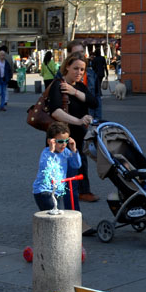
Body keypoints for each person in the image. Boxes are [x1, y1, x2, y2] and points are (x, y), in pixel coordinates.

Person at [45, 51, 98, 211]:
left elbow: (93, 102)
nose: (79, 73)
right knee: (66, 184)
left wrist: (74, 92)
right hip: (61, 143)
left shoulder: (80, 87)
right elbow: (55, 111)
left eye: (82, 69)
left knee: (71, 183)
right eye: (75, 68)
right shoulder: (57, 85)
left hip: (77, 143)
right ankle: (71, 220)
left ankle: (70, 218)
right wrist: (79, 121)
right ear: (67, 67)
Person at [33, 122, 82, 211]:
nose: (64, 144)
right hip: (44, 191)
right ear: (50, 141)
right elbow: (46, 168)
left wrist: (74, 151)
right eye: (60, 141)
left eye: (66, 141)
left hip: (57, 191)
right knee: (54, 216)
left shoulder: (66, 151)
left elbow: (76, 165)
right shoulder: (46, 153)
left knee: (54, 217)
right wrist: (51, 152)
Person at [91, 51, 108, 123]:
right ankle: (99, 92)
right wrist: (107, 73)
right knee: (99, 83)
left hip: (96, 73)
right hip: (101, 73)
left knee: (97, 84)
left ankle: (99, 92)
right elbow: (105, 65)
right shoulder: (102, 58)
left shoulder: (94, 59)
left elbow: (93, 66)